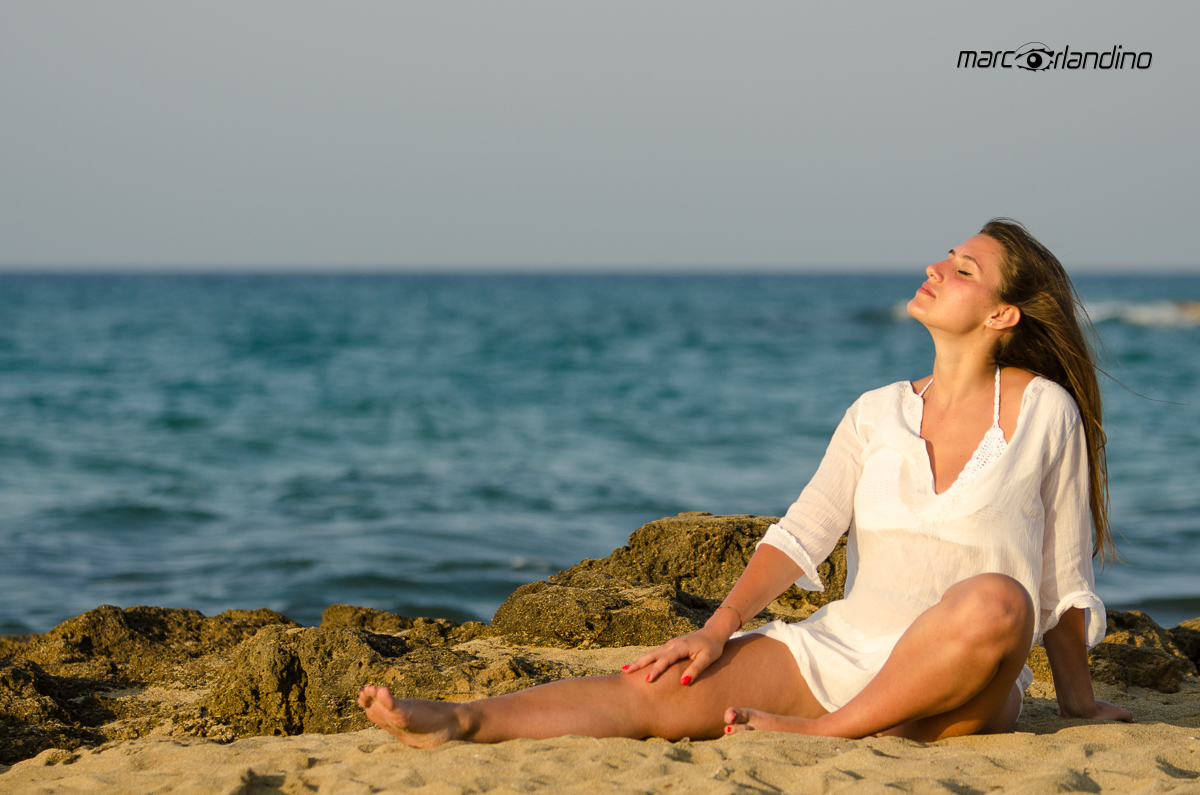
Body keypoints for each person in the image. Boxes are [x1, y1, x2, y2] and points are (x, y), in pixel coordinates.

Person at [358, 218, 1135, 746]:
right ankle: (465, 720)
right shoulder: (875, 413)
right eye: (945, 257)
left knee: (997, 597)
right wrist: (717, 625)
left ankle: (828, 736)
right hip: (841, 649)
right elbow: (802, 532)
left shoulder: (1044, 410)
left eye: (963, 270)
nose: (935, 268)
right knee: (655, 690)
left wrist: (1075, 699)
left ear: (1002, 316)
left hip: (968, 682)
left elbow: (1060, 578)